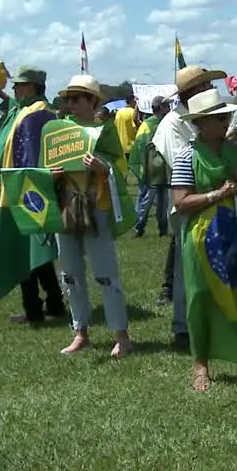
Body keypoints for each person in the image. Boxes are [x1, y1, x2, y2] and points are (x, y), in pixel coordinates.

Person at [170, 88, 237, 390]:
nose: (225, 121)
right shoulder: (187, 155)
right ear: (200, 123)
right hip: (201, 238)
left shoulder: (236, 149)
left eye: (225, 115)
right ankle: (201, 364)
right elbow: (181, 201)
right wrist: (218, 193)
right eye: (217, 118)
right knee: (200, 297)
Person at [52, 75, 134, 358]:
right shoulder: (60, 131)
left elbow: (120, 167)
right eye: (68, 99)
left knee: (105, 274)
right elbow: (46, 166)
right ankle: (80, 332)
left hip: (97, 208)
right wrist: (53, 174)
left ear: (93, 101)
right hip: (67, 209)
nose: (70, 104)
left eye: (77, 99)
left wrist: (104, 168)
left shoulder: (106, 132)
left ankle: (121, 335)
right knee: (70, 274)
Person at [0, 66, 66, 325]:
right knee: (34, 250)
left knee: (21, 250)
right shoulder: (28, 110)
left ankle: (33, 309)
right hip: (18, 189)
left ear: (30, 87)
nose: (14, 89)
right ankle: (53, 302)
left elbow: (28, 154)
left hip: (21, 191)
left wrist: (22, 191)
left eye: (18, 85)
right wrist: (1, 95)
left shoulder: (34, 114)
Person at [153, 65, 227, 344]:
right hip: (192, 205)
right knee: (188, 269)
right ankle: (183, 327)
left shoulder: (212, 114)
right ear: (192, 91)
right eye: (205, 84)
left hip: (219, 203)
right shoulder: (172, 124)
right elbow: (182, 167)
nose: (210, 88)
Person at [129, 96, 170, 238]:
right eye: (166, 106)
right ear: (160, 108)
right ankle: (139, 226)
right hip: (151, 171)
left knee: (163, 202)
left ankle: (163, 228)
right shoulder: (146, 125)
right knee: (146, 201)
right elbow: (140, 148)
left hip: (164, 170)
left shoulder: (168, 124)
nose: (169, 109)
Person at [113, 95, 139, 161]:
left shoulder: (119, 112)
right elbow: (137, 126)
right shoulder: (133, 112)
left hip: (120, 147)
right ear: (132, 101)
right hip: (132, 147)